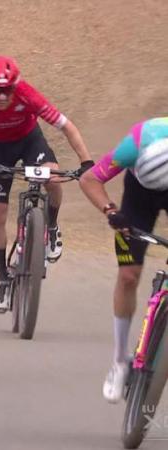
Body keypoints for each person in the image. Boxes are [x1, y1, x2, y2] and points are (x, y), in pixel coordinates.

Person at [0, 55, 94, 312]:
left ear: (15, 85)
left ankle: (51, 226)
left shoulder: (27, 94)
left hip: (30, 140)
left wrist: (86, 160)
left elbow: (66, 126)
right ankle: (2, 278)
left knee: (52, 178)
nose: (1, 96)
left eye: (7, 90)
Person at [79, 117, 168, 403]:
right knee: (128, 275)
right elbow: (89, 179)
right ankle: (119, 361)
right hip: (139, 196)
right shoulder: (133, 146)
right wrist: (110, 211)